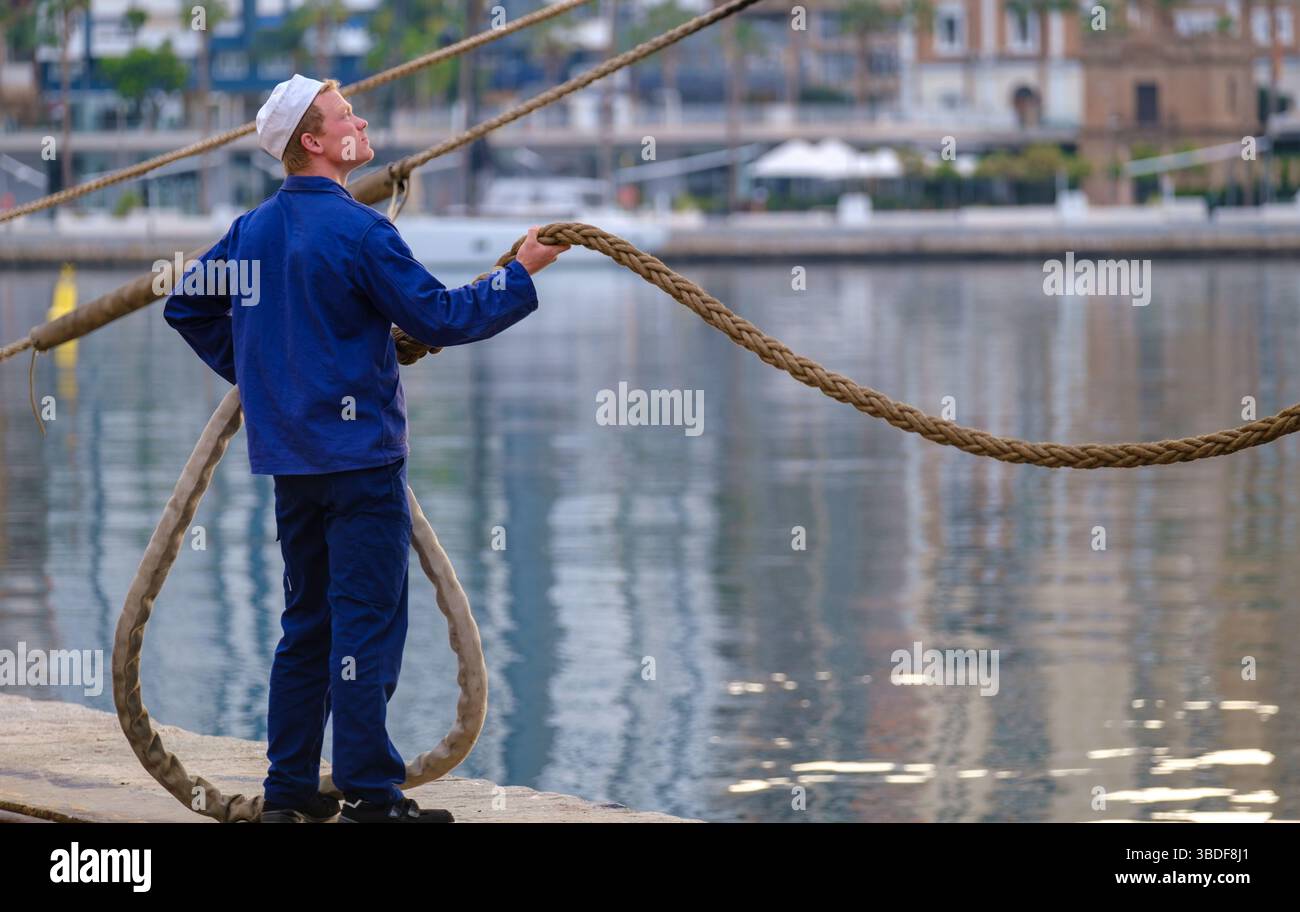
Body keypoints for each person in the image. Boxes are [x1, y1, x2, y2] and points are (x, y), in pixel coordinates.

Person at [162, 74, 569, 823]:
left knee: (307, 624)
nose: (362, 120)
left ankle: (287, 796)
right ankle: (371, 798)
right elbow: (441, 317)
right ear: (314, 143)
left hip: (293, 462)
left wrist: (270, 377)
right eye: (347, 114)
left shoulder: (252, 231)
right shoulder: (361, 231)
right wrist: (521, 273)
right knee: (366, 626)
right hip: (361, 464)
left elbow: (185, 305)